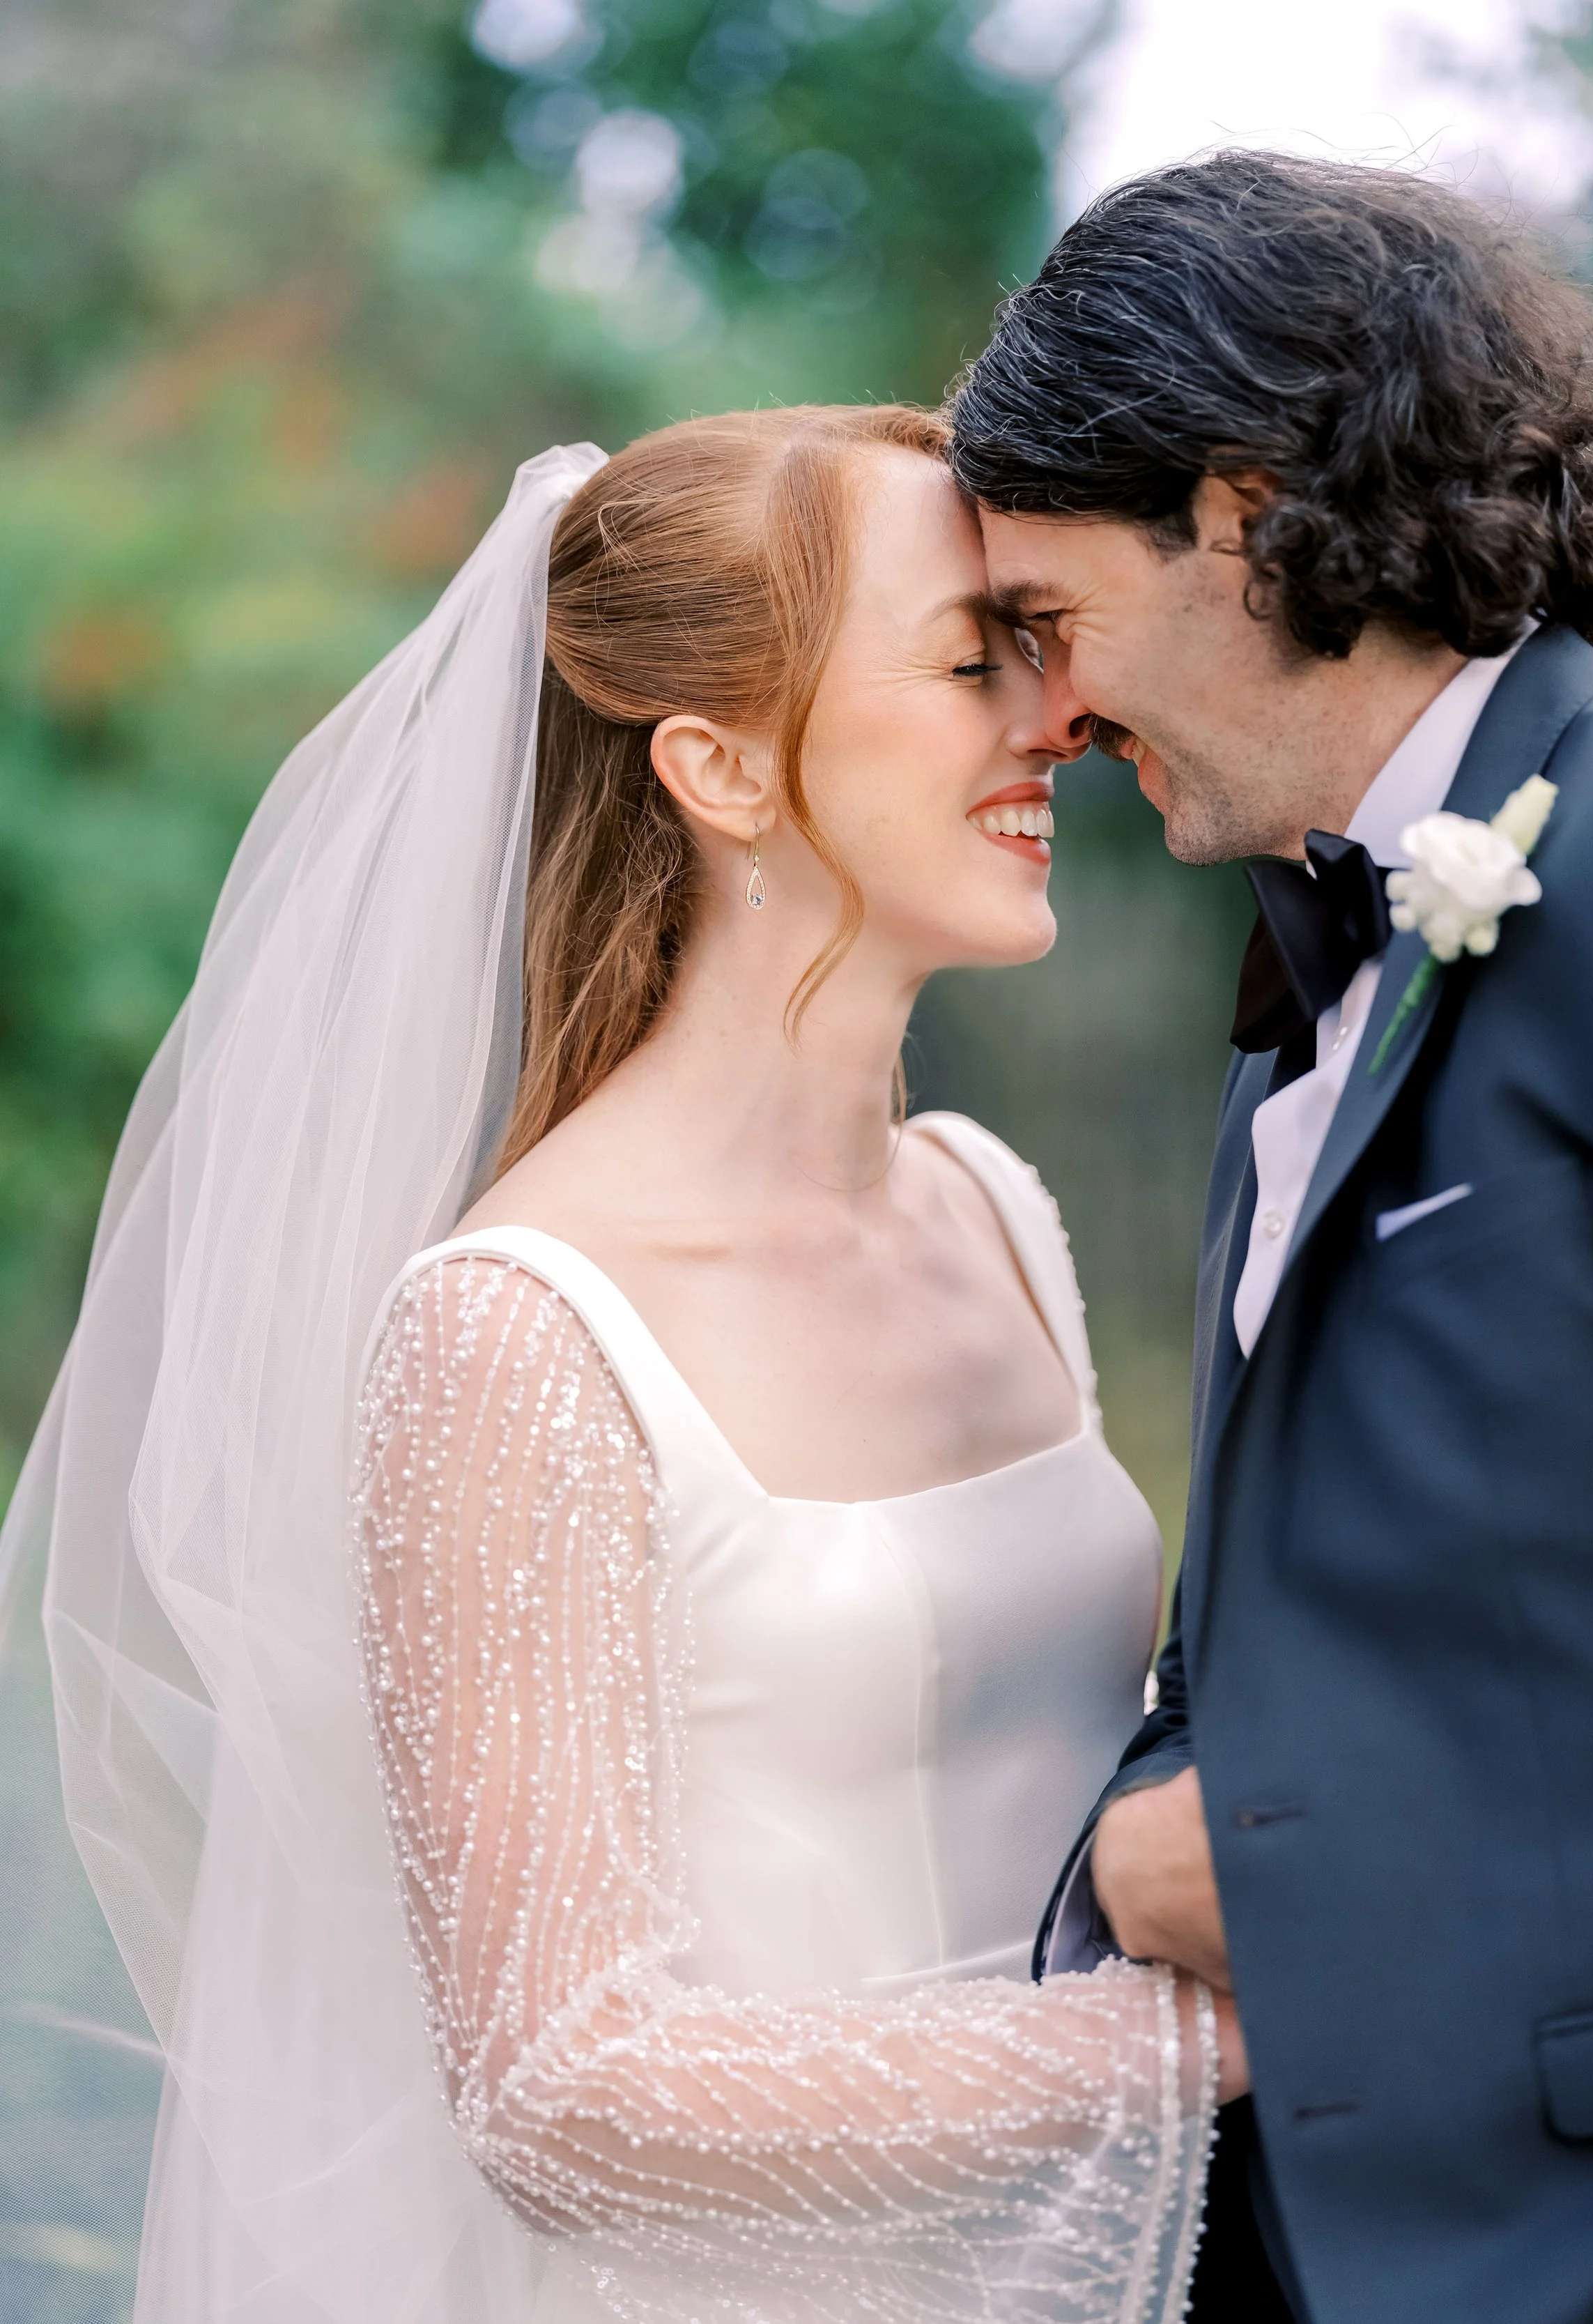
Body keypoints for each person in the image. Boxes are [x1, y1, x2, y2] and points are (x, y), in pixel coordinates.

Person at [0, 404, 1233, 2324]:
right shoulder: (521, 1331)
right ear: (720, 763)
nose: (1052, 718)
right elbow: (562, 2090)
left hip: (1114, 2267)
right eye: (967, 661)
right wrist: (1199, 2041)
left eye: (1039, 649)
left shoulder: (989, 1207)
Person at [950, 150, 1593, 2324]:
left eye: (1045, 620)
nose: (1045, 713)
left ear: (1234, 512)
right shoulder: (1302, 982)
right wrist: (1151, 1817)